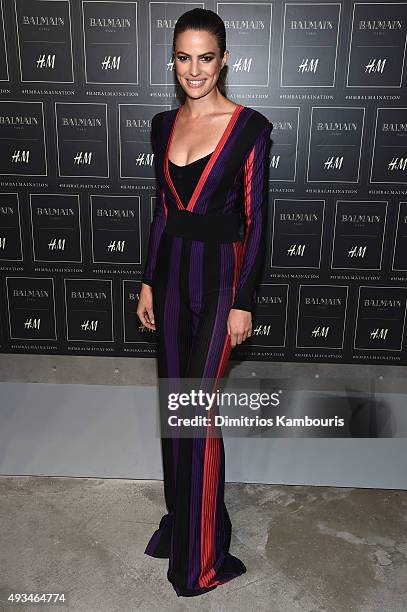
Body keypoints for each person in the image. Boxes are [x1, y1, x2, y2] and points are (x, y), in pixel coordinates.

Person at [137, 8, 272, 598]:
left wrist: (244, 301)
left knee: (198, 414)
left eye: (206, 57)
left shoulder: (248, 127)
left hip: (220, 286)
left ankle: (203, 556)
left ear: (224, 60)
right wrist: (146, 281)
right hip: (168, 286)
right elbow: (163, 211)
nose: (194, 69)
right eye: (183, 57)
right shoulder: (162, 124)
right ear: (173, 60)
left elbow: (258, 221)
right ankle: (184, 521)